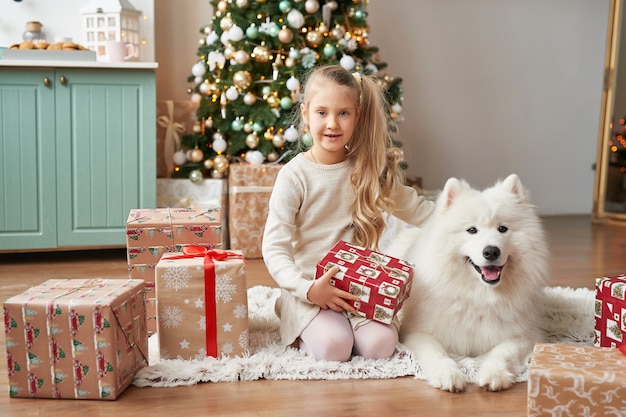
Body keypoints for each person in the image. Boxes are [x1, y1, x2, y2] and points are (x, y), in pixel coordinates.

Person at [262, 64, 435, 362]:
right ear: (305, 114)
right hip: (310, 288)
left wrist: (464, 220)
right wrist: (306, 290)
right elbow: (274, 246)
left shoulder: (366, 170)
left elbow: (418, 209)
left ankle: (343, 328)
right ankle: (293, 315)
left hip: (359, 286)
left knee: (380, 346)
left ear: (356, 115)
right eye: (321, 113)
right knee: (335, 348)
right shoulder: (294, 176)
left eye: (343, 113)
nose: (332, 123)